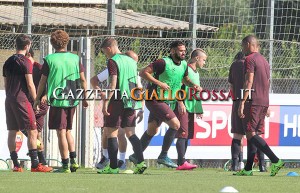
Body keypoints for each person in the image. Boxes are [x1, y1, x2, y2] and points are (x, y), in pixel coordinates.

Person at [130, 41, 201, 168]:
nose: (183, 52)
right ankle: (163, 155)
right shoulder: (162, 62)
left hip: (166, 100)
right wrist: (159, 83)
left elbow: (184, 79)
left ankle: (136, 155)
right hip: (155, 99)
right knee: (176, 125)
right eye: (180, 50)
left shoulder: (184, 64)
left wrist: (193, 85)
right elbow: (143, 72)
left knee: (152, 130)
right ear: (173, 51)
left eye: (184, 50)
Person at [34, 30, 88, 173]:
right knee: (68, 130)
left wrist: (37, 99)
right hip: (72, 99)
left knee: (61, 131)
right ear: (67, 42)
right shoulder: (75, 59)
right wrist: (85, 97)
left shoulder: (49, 59)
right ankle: (74, 161)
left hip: (58, 100)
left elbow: (42, 82)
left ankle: (65, 166)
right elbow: (83, 79)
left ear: (52, 43)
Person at [234, 35, 284, 176]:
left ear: (249, 44)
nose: (242, 49)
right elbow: (267, 83)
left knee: (250, 133)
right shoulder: (264, 60)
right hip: (263, 101)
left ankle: (275, 160)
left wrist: (242, 102)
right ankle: (248, 168)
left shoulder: (249, 59)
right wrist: (267, 104)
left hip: (253, 101)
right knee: (253, 134)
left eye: (243, 45)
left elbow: (249, 81)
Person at [97, 38, 146, 174]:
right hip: (130, 100)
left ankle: (113, 167)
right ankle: (141, 163)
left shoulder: (113, 61)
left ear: (109, 48)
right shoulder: (131, 61)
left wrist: (105, 103)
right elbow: (136, 83)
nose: (105, 55)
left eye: (104, 52)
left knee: (111, 132)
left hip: (117, 100)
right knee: (131, 133)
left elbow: (112, 84)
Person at [3, 34, 50, 172]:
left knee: (12, 131)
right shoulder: (26, 62)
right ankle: (36, 165)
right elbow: (30, 84)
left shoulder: (7, 61)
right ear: (27, 46)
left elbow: (6, 84)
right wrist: (35, 101)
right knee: (32, 130)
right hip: (22, 99)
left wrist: (10, 97)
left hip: (9, 99)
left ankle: (16, 164)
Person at [20, 48, 52, 170]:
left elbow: (49, 83)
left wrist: (45, 95)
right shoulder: (25, 68)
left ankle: (37, 156)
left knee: (29, 130)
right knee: (36, 133)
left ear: (29, 55)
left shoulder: (39, 68)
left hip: (38, 104)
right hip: (32, 103)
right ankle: (42, 161)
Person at [175, 48, 207, 170]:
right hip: (183, 106)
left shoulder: (196, 73)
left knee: (187, 135)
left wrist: (199, 109)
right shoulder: (185, 69)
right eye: (203, 60)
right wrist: (180, 102)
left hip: (191, 108)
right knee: (182, 134)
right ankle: (181, 162)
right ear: (197, 58)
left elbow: (195, 93)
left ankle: (182, 162)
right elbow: (177, 86)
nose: (204, 63)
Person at [228, 52, 245, 171]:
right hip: (251, 101)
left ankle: (235, 164)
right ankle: (261, 165)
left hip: (237, 101)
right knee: (253, 134)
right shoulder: (252, 64)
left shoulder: (234, 65)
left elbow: (231, 86)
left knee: (237, 135)